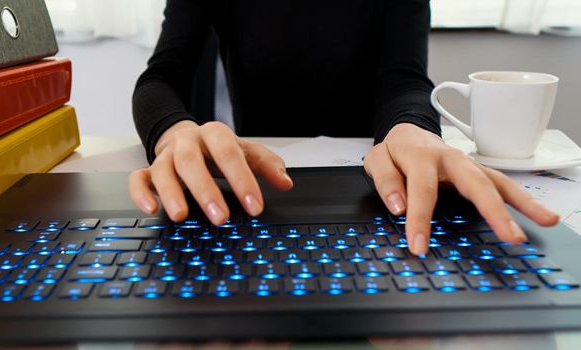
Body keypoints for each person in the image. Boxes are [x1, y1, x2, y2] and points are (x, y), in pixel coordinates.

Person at [129, 0, 559, 256]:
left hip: (372, 197)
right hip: (262, 196)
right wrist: (175, 131)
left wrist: (412, 128)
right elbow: (162, 76)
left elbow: (404, 78)